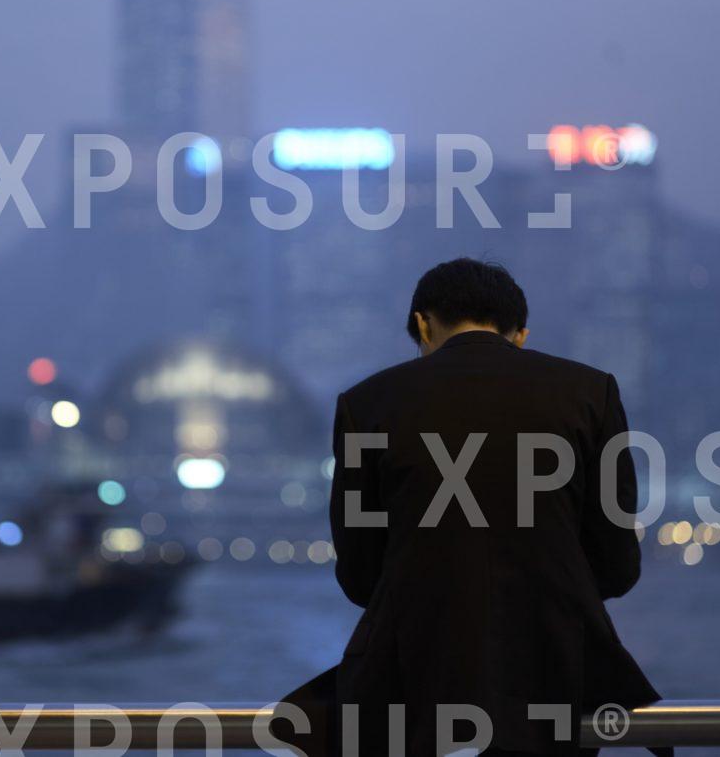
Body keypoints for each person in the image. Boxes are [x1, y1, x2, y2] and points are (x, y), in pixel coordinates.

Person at [273, 258, 662, 757]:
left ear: (422, 324)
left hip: (414, 680)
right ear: (519, 334)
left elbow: (360, 575)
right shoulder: (591, 393)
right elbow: (617, 568)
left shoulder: (367, 404)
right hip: (554, 677)